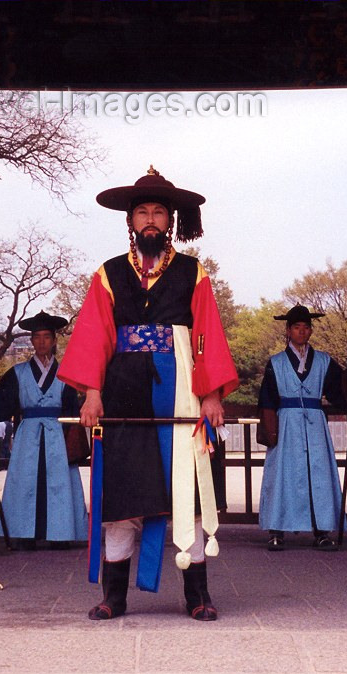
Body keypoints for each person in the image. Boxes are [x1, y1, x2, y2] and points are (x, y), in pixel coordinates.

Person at [57, 166, 239, 621]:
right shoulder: (109, 273)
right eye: (143, 213)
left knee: (187, 494)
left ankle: (197, 595)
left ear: (171, 220)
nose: (151, 220)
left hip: (180, 389)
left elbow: (206, 335)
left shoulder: (193, 272)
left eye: (159, 211)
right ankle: (114, 596)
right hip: (122, 393)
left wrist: (212, 394)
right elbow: (95, 335)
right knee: (123, 494)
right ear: (130, 221)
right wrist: (92, 393)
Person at [0, 311, 89, 550]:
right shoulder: (17, 373)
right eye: (37, 337)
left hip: (58, 433)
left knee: (59, 482)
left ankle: (60, 532)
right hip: (28, 435)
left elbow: (73, 408)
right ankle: (25, 533)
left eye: (47, 336)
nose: (42, 341)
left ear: (54, 340)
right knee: (26, 481)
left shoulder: (68, 372)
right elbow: (0, 404)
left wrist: (72, 438)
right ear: (32, 340)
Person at [257, 305, 347, 552]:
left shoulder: (325, 361)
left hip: (315, 425)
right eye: (296, 328)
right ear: (288, 331)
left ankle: (322, 532)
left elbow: (339, 392)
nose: (302, 332)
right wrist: (271, 430)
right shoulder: (277, 363)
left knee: (319, 475)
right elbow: (267, 399)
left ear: (311, 331)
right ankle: (276, 531)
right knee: (283, 474)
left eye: (306, 328)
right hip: (287, 424)